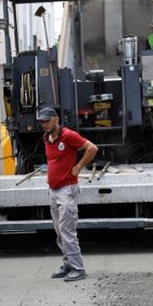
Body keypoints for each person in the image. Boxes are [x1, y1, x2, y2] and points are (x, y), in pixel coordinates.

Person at [36, 106, 99, 282]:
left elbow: (92, 148)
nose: (44, 124)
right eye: (42, 122)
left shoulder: (68, 135)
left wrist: (78, 167)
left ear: (56, 119)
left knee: (67, 230)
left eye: (47, 121)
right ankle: (68, 264)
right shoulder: (47, 138)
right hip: (54, 190)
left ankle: (78, 268)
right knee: (59, 231)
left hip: (66, 189)